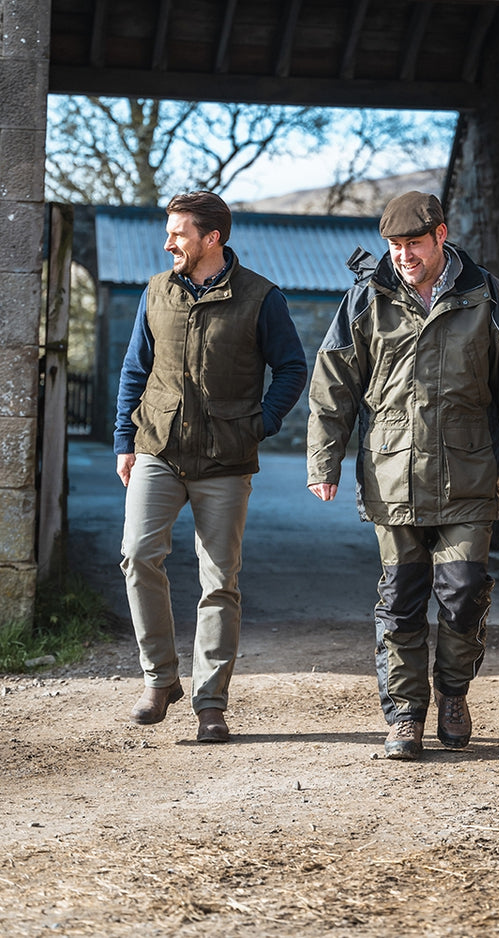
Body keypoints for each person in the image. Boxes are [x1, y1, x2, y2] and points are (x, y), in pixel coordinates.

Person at [306, 191, 499, 760]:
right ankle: (405, 715)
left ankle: (453, 694)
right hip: (392, 476)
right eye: (394, 245)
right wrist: (324, 459)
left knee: (463, 593)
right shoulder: (367, 297)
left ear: (441, 235)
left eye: (414, 243)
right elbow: (333, 381)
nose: (403, 255)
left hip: (468, 474)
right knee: (401, 601)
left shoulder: (485, 294)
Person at [115, 191, 307, 742]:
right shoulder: (157, 291)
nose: (168, 243)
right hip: (158, 447)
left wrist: (260, 423)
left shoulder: (261, 297)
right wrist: (124, 439)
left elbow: (292, 368)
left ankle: (210, 703)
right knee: (137, 556)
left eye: (178, 233)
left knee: (219, 581)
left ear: (211, 238)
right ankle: (160, 679)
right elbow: (135, 369)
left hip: (226, 458)